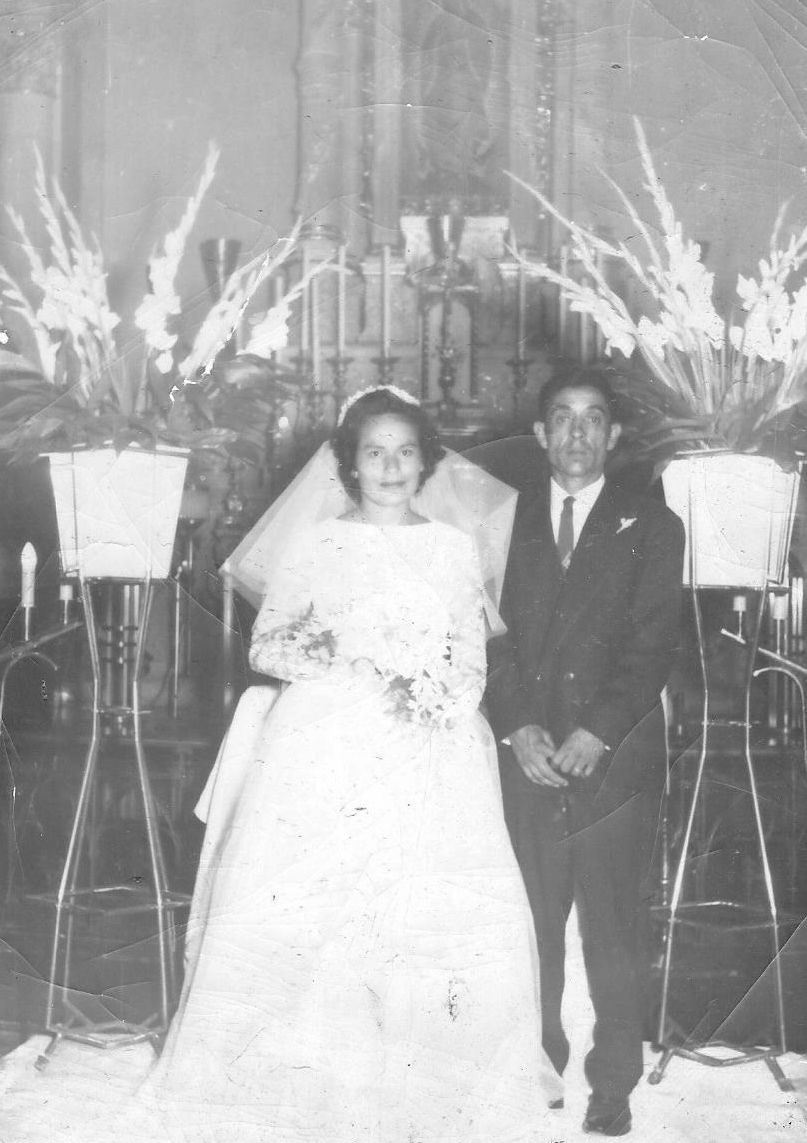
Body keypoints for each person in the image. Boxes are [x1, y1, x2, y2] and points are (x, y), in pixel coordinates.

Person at [111, 385, 558, 1143]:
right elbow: (268, 644)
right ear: (350, 464)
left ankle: (427, 1082)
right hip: (326, 745)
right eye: (373, 452)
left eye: (404, 451)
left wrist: (436, 702)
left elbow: (471, 657)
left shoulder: (451, 548)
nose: (389, 465)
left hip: (425, 748)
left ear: (426, 461)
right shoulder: (319, 544)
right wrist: (343, 660)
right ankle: (306, 1077)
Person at [485, 366, 685, 1137]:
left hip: (614, 762)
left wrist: (595, 731)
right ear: (539, 434)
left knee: (612, 926)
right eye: (561, 418)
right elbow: (483, 633)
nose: (576, 433)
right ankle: (539, 1060)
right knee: (529, 919)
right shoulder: (502, 523)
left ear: (612, 434)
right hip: (526, 757)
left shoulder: (652, 524)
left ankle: (612, 1083)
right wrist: (517, 726)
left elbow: (652, 644)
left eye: (592, 418)